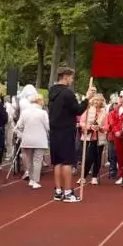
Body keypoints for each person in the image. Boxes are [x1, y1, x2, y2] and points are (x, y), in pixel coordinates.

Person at [48, 67, 95, 203]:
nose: (72, 80)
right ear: (66, 76)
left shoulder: (52, 91)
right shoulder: (67, 93)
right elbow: (78, 110)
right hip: (66, 131)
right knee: (67, 162)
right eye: (71, 77)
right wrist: (87, 99)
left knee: (57, 162)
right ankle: (68, 192)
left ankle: (58, 191)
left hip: (55, 130)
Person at [15, 93, 50, 189]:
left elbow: (19, 125)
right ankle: (35, 181)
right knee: (37, 160)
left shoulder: (25, 112)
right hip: (40, 139)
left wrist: (22, 133)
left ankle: (31, 179)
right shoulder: (43, 113)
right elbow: (47, 127)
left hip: (27, 139)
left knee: (29, 160)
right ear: (39, 101)